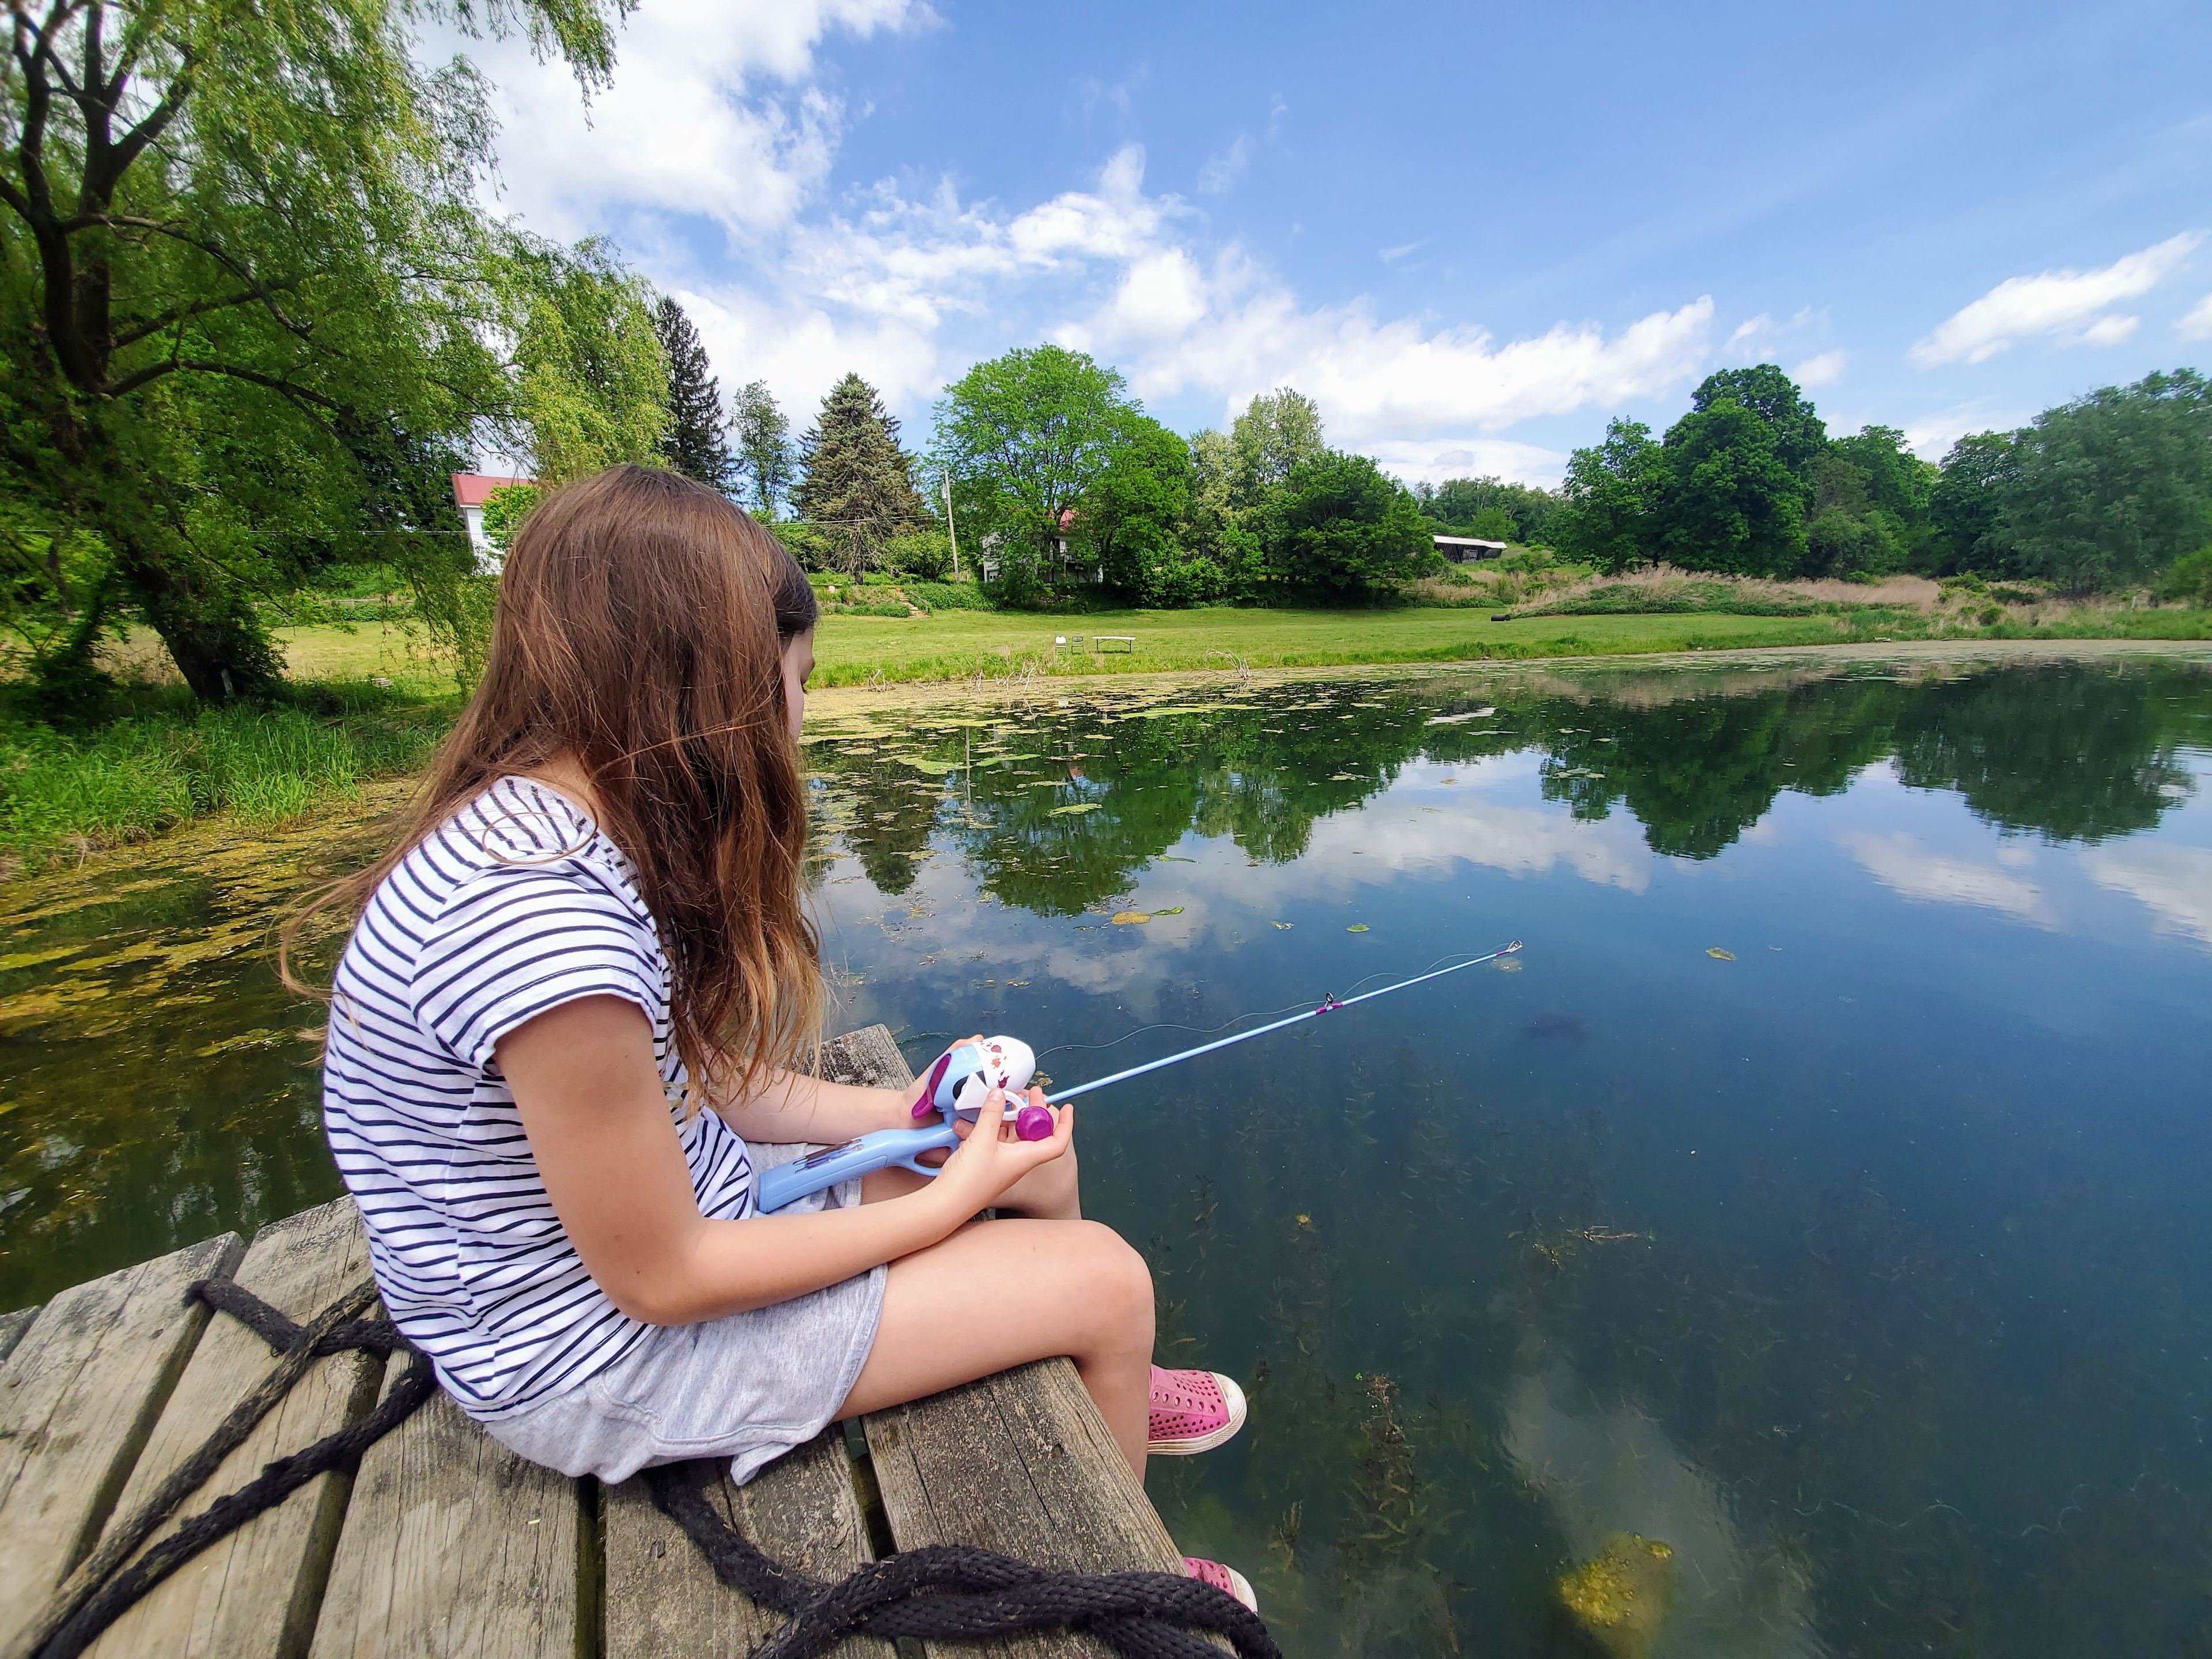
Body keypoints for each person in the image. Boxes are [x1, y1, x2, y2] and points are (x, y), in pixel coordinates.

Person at [285, 465, 1256, 1609]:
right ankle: (1131, 1574)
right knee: (1106, 1280)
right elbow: (666, 1278)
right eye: (797, 682)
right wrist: (950, 1198)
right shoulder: (543, 929)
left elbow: (708, 1084)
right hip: (591, 1357)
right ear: (709, 691)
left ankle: (1106, 1385)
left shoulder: (569, 827)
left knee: (1034, 1143)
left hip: (690, 1224)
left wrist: (914, 1118)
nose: (803, 716)